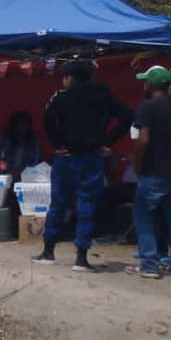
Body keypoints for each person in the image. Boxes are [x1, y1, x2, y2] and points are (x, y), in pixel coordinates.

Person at [35, 60, 134, 272]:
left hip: (67, 158)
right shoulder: (104, 96)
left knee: (58, 204)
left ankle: (48, 252)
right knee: (86, 205)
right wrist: (107, 141)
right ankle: (81, 258)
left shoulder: (61, 96)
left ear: (69, 78)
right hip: (91, 157)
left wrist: (58, 144)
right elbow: (127, 116)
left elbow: (47, 119)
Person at [126, 66, 171, 279]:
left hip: (153, 171)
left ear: (150, 85)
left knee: (143, 216)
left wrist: (137, 165)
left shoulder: (148, 107)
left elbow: (144, 139)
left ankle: (149, 264)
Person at [0, 111, 43, 182]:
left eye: (25, 124)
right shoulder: (4, 137)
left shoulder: (34, 139)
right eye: (20, 124)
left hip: (27, 176)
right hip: (5, 174)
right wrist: (6, 169)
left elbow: (36, 162)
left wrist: (22, 171)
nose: (22, 127)